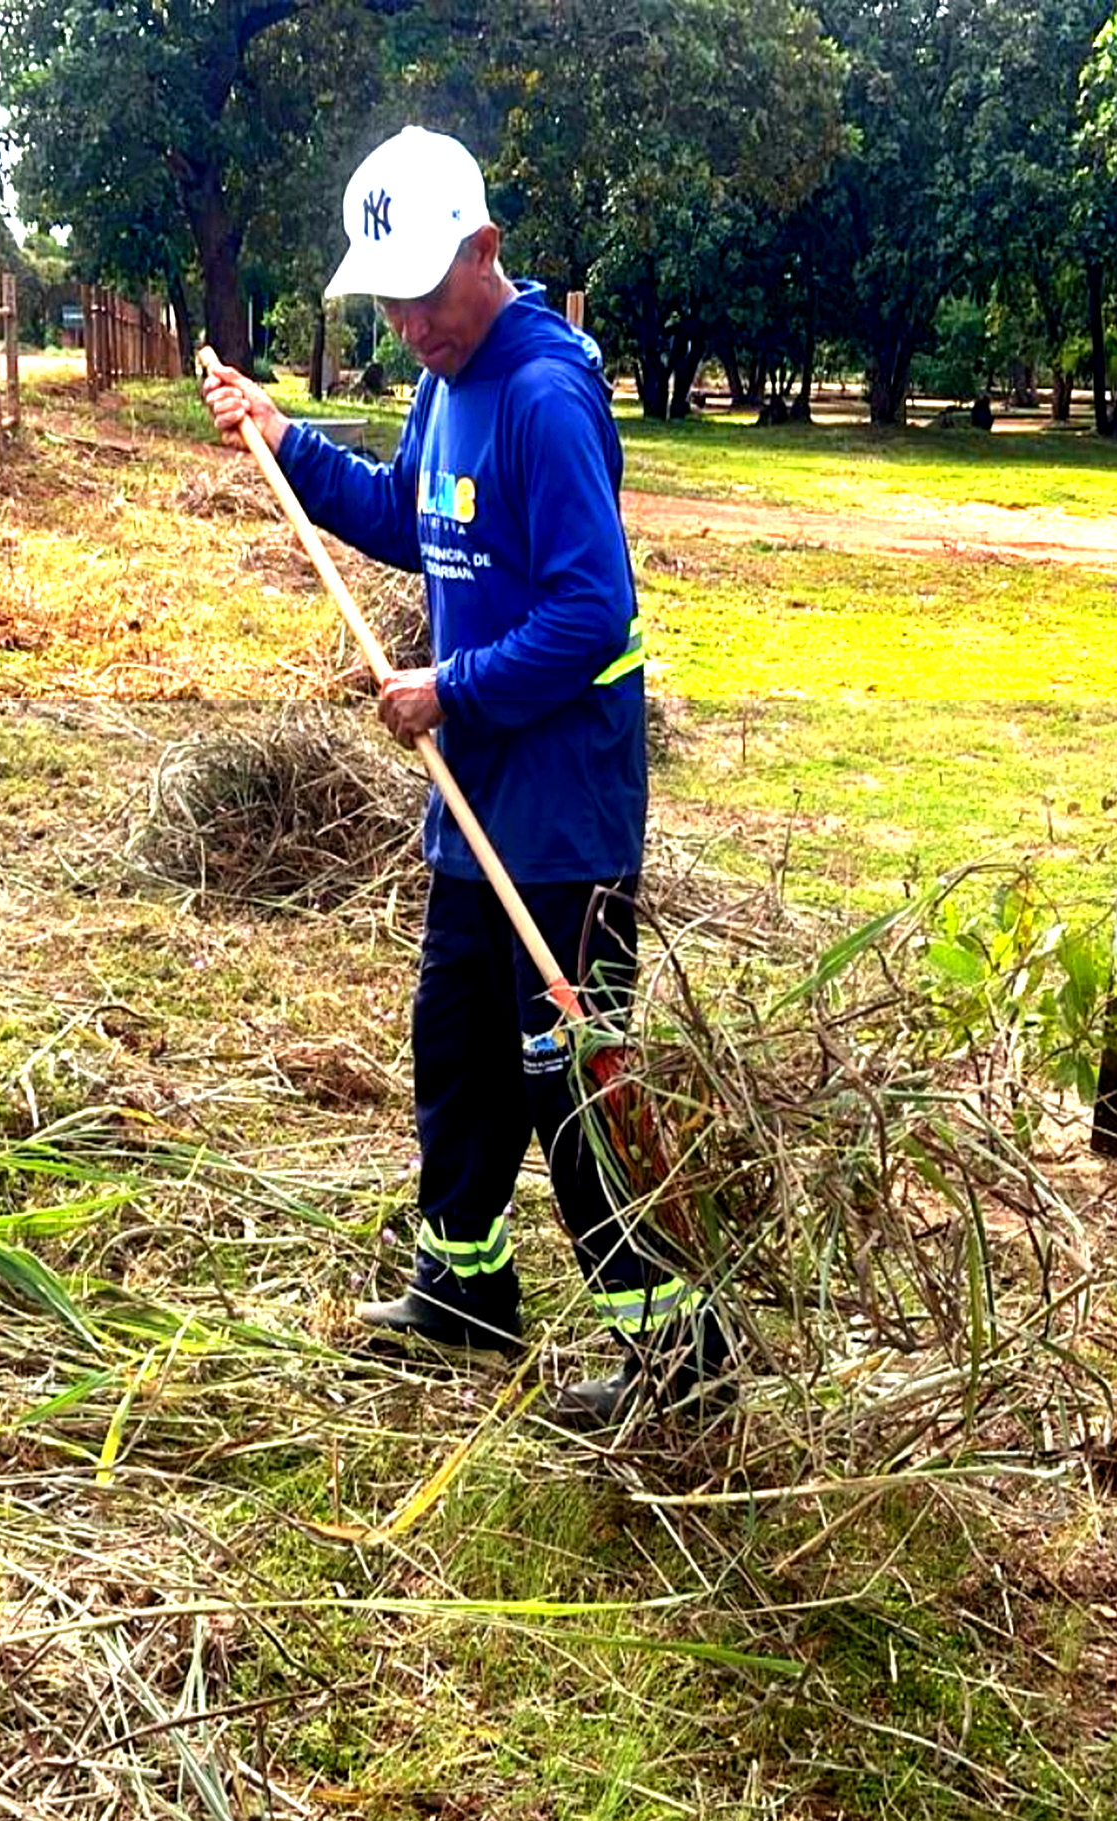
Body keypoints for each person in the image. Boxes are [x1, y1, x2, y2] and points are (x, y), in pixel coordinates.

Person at [200, 125, 724, 1429]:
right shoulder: (447, 383)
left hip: (558, 808)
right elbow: (405, 515)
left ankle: (679, 1358)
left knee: (569, 1072)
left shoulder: (542, 392)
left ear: (486, 251)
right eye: (389, 301)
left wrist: (453, 690)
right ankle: (465, 1286)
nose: (411, 325)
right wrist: (285, 436)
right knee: (458, 1044)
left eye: (428, 294)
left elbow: (591, 615)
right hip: (474, 794)